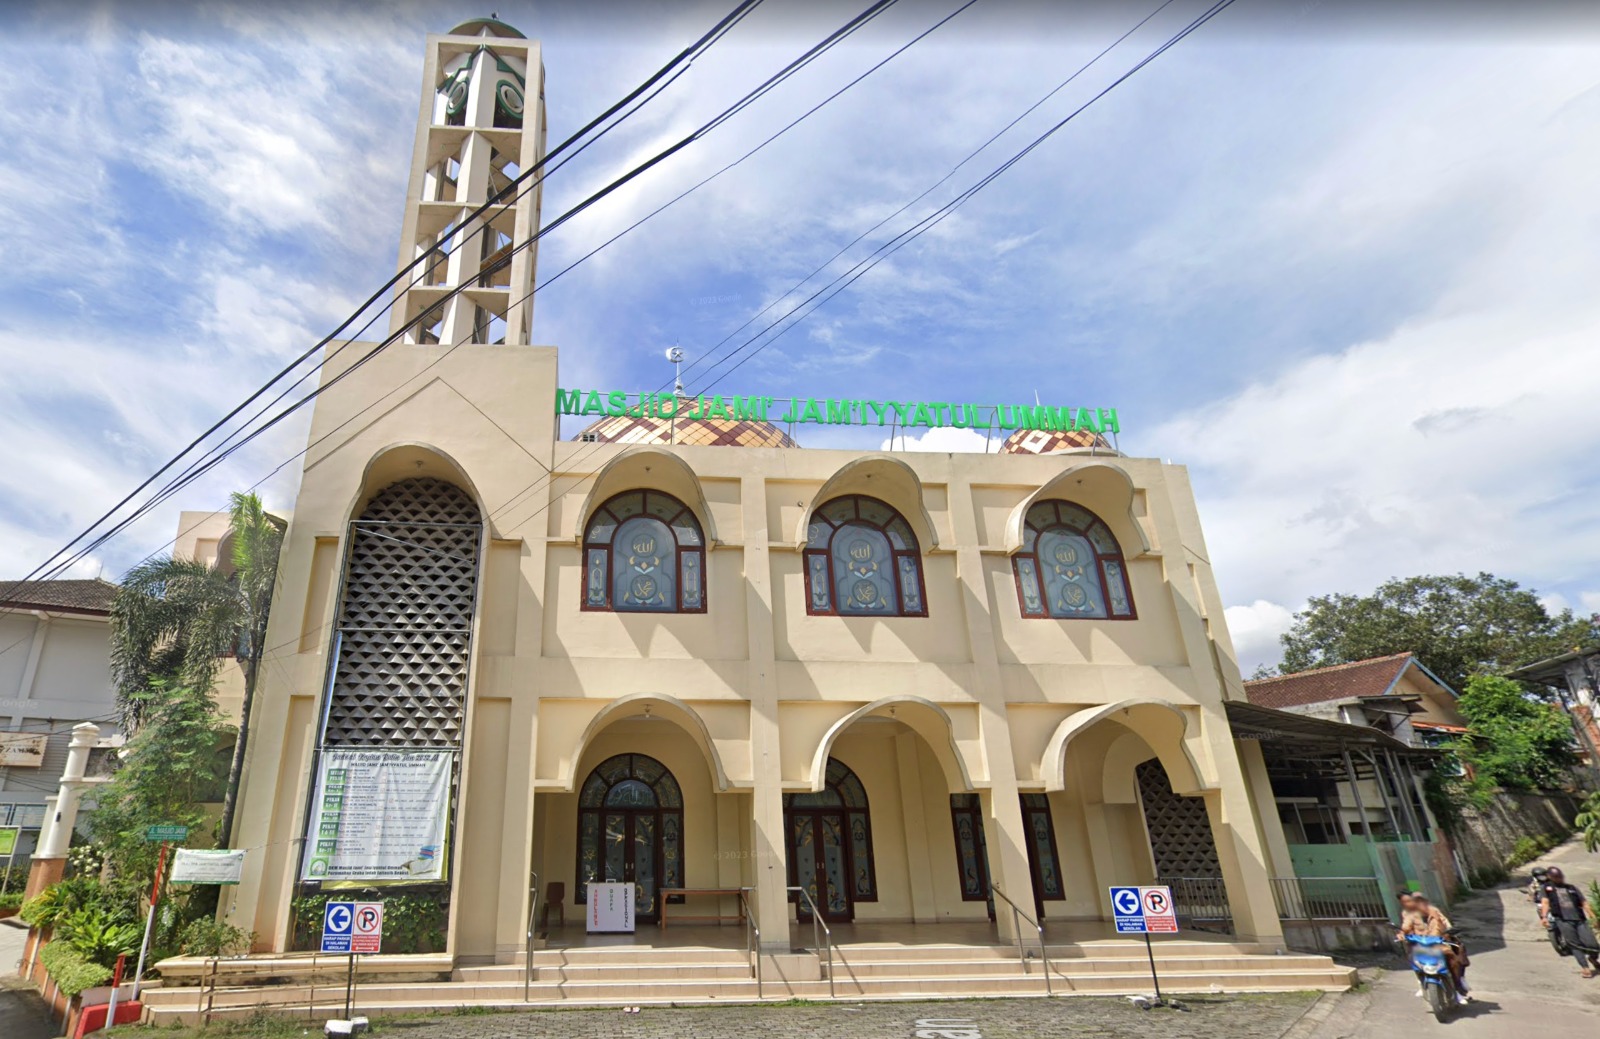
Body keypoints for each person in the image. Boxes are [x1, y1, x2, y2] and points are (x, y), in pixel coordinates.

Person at [1399, 891, 1470, 1004]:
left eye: (1421, 901)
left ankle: (1457, 989)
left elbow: (1445, 922)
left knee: (1453, 960)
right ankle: (1421, 983)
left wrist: (1449, 931)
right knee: (1413, 958)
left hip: (1438, 944)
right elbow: (1405, 927)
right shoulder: (1411, 915)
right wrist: (1403, 933)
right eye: (1416, 902)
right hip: (1421, 945)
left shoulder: (1434, 911)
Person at [1538, 866, 1600, 978]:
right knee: (1574, 944)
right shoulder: (1546, 888)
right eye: (1556, 877)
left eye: (1560, 876)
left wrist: (1593, 918)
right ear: (1550, 877)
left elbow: (1584, 903)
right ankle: (1585, 968)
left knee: (1593, 945)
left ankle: (1593, 958)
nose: (1559, 879)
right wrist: (1544, 917)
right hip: (1563, 920)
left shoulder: (1571, 888)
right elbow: (1545, 902)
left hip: (1580, 920)